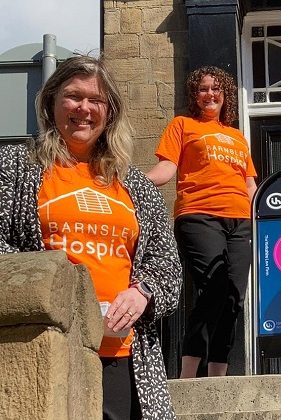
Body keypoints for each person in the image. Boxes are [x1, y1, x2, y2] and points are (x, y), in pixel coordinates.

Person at [0, 55, 182, 420]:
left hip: (121, 351)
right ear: (51, 103)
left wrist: (142, 292)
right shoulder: (17, 165)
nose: (84, 108)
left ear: (109, 112)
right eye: (72, 96)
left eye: (96, 100)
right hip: (42, 345)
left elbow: (168, 265)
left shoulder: (137, 185)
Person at [147, 65, 257, 378]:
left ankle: (217, 379)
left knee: (234, 297)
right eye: (203, 89)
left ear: (225, 95)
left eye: (216, 89)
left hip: (240, 221)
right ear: (195, 95)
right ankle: (188, 375)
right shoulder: (182, 125)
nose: (210, 94)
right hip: (199, 214)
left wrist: (272, 211)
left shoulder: (237, 137)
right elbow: (166, 169)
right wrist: (131, 179)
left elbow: (249, 185)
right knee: (214, 289)